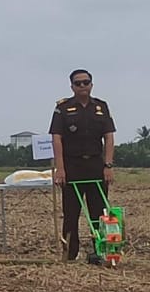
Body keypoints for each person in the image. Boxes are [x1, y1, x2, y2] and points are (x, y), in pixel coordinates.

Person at [50, 70, 116, 263]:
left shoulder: (101, 107)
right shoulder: (63, 108)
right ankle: (70, 254)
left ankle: (100, 251)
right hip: (72, 166)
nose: (82, 86)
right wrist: (60, 169)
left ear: (91, 85)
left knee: (99, 212)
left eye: (86, 82)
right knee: (71, 214)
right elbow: (56, 138)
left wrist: (108, 165)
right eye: (78, 83)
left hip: (96, 165)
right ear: (72, 87)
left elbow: (109, 137)